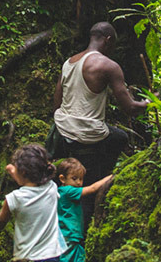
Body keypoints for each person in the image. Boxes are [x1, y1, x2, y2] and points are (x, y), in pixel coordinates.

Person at [50, 21, 150, 184]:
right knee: (120, 138)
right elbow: (130, 108)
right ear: (108, 40)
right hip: (87, 133)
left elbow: (56, 103)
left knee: (115, 135)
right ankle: (102, 177)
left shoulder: (68, 63)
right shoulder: (108, 66)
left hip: (63, 129)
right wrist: (148, 102)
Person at [0, 144, 67, 262]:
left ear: (23, 172)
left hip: (28, 257)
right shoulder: (51, 188)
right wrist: (13, 170)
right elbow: (29, 182)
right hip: (52, 255)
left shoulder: (15, 198)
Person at [52, 158, 113, 262]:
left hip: (67, 234)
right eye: (74, 178)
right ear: (62, 179)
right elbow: (92, 189)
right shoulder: (68, 191)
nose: (79, 182)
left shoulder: (60, 191)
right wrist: (111, 177)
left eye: (81, 179)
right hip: (70, 234)